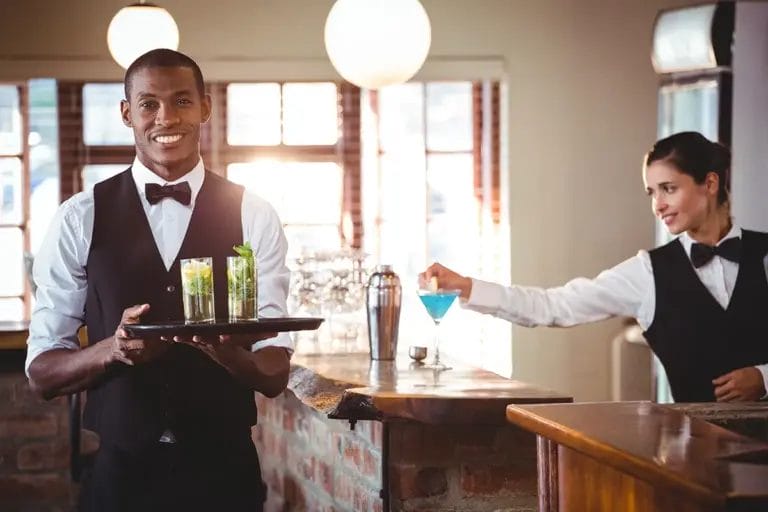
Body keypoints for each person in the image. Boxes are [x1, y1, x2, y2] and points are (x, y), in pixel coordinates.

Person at [25, 49, 291, 512]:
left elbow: (273, 374)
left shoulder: (255, 214)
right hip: (120, 480)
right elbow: (42, 374)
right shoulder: (78, 217)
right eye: (148, 103)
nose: (166, 117)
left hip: (225, 476)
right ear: (128, 113)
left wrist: (224, 351)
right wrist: (113, 348)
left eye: (182, 101)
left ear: (205, 108)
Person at [421, 131, 768, 404]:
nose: (658, 205)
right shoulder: (647, 273)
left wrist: (764, 378)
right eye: (651, 193)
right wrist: (468, 287)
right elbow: (555, 305)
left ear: (710, 183)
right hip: (695, 463)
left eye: (669, 189)